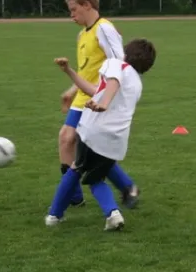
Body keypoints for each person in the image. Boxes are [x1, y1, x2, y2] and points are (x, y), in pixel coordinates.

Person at [45, 38, 157, 231]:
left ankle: (54, 215)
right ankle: (113, 213)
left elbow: (112, 82)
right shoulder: (137, 83)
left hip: (94, 130)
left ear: (126, 52)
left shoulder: (116, 63)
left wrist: (103, 104)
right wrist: (69, 71)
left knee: (77, 168)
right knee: (96, 176)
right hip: (117, 139)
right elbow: (94, 91)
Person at [56, 0, 139, 209]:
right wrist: (72, 91)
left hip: (99, 99)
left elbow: (119, 63)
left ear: (87, 5)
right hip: (83, 97)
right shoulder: (82, 34)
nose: (71, 15)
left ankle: (127, 186)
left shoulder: (105, 29)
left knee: (89, 148)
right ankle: (74, 196)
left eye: (73, 9)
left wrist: (108, 98)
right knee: (66, 140)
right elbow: (87, 70)